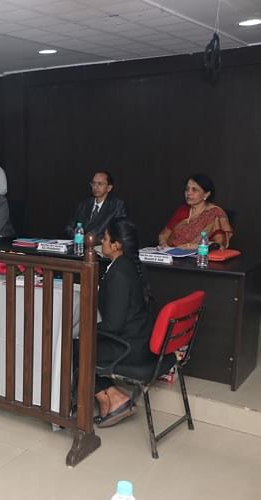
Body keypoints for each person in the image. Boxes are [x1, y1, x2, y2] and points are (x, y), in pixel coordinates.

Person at [94, 219, 155, 428]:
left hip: (128, 346)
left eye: (105, 238)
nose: (101, 242)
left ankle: (112, 398)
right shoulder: (129, 265)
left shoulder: (119, 273)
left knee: (73, 348)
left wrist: (83, 330)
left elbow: (113, 326)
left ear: (116, 245)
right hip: (139, 339)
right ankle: (111, 396)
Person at [158, 173, 233, 249]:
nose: (189, 193)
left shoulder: (215, 213)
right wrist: (164, 245)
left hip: (201, 255)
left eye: (194, 190)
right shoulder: (183, 210)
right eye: (187, 189)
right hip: (171, 253)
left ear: (206, 194)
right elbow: (163, 235)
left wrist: (190, 247)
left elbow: (218, 245)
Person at [64, 170, 127, 243]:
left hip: (101, 246)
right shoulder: (83, 204)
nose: (95, 187)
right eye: (93, 183)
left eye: (100, 184)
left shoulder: (117, 205)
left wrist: (92, 239)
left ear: (109, 188)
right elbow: (69, 228)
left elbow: (119, 232)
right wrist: (80, 237)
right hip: (80, 244)